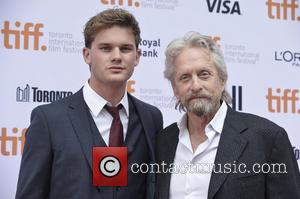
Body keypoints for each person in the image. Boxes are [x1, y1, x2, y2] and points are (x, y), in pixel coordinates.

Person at [16, 8, 163, 199]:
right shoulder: (48, 119)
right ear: (87, 55)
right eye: (106, 48)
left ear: (137, 57)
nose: (117, 56)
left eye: (125, 48)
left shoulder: (151, 117)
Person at [155, 32, 300, 199]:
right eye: (185, 77)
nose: (195, 85)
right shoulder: (163, 142)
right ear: (175, 88)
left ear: (222, 80)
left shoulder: (267, 138)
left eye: (204, 74)